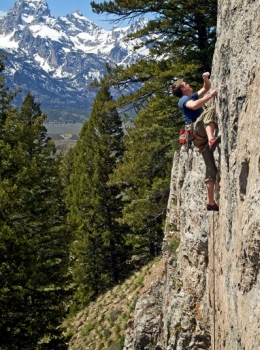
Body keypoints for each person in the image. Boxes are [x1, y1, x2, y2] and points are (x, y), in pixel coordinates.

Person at [171, 72, 220, 211]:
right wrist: (210, 97)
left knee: (211, 169)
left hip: (198, 138)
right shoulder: (183, 100)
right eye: (186, 84)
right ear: (182, 89)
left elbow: (205, 88)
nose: (189, 85)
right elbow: (193, 106)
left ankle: (210, 201)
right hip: (196, 130)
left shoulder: (190, 96)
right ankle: (211, 139)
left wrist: (206, 79)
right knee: (209, 112)